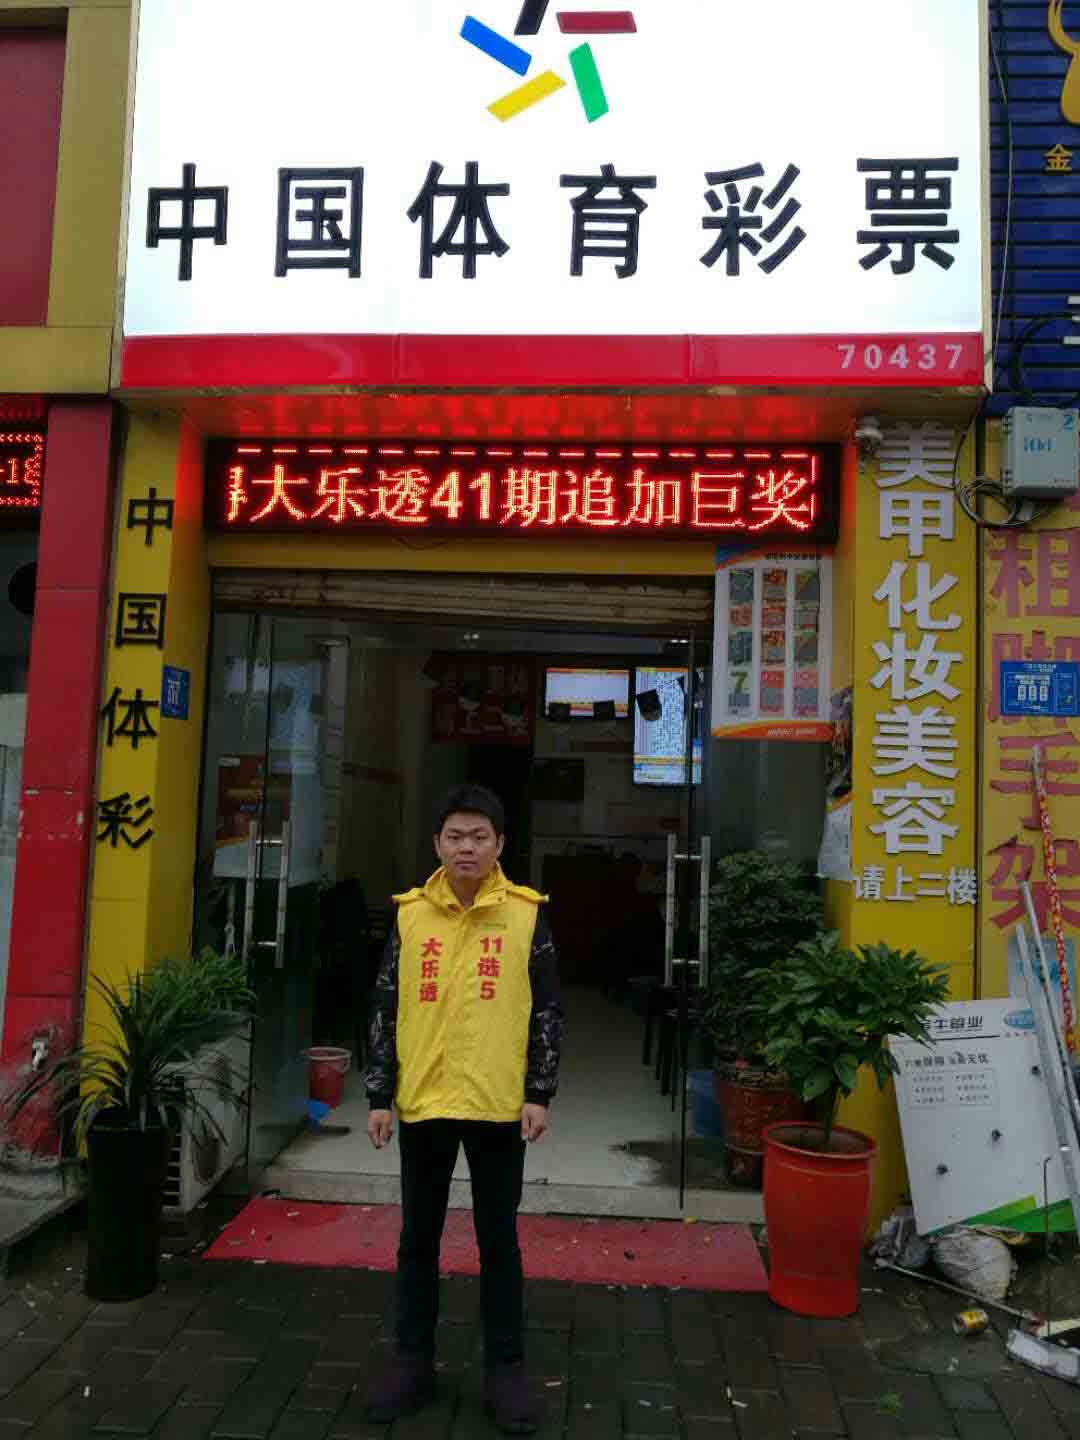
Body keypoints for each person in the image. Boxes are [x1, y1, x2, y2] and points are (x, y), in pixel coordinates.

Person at [364, 784, 563, 1434]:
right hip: (423, 1102)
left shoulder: (527, 915)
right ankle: (411, 1363)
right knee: (416, 1241)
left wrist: (539, 1091)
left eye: (479, 836)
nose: (467, 847)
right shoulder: (409, 915)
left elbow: (547, 1010)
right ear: (437, 844)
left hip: (497, 1103)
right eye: (455, 836)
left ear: (500, 844)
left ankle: (506, 1373)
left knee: (498, 1242)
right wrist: (378, 1095)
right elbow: (385, 1005)